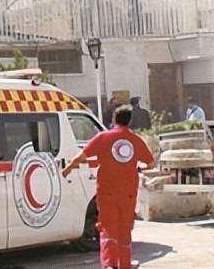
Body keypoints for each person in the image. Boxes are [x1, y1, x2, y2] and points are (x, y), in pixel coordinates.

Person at [62, 105, 155, 269]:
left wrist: (68, 169)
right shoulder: (135, 140)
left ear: (113, 119)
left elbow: (81, 156)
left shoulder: (102, 137)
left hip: (107, 192)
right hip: (128, 193)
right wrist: (137, 168)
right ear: (129, 121)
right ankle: (125, 264)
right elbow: (151, 162)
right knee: (124, 229)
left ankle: (110, 264)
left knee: (108, 228)